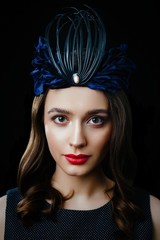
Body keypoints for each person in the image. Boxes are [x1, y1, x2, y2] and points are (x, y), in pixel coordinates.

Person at [0, 5, 160, 240]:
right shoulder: (4, 216)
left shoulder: (153, 215)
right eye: (61, 118)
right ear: (41, 123)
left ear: (117, 124)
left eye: (95, 120)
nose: (77, 140)